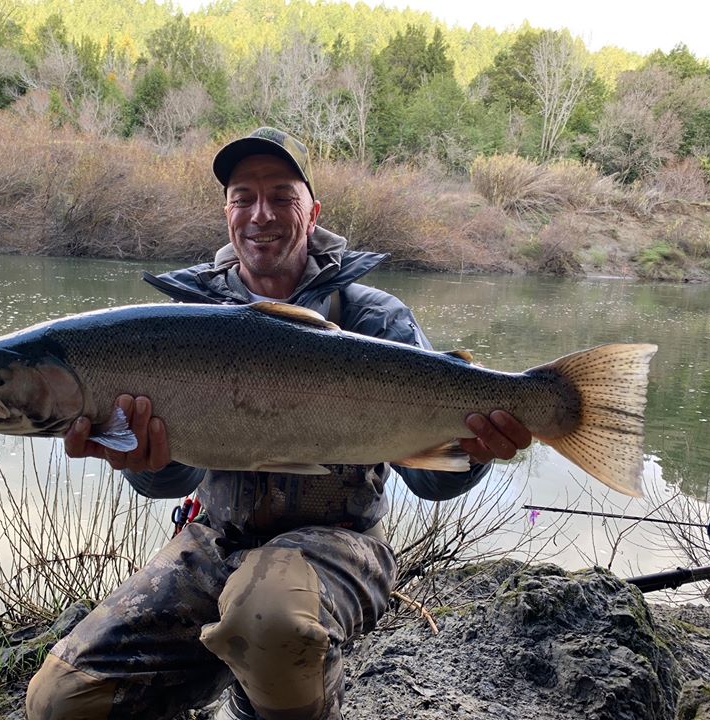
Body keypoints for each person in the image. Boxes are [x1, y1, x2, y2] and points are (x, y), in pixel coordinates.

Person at [26, 127, 531, 720]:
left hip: (340, 548)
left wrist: (476, 449)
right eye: (243, 197)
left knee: (267, 619)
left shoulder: (374, 317)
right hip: (214, 543)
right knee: (61, 700)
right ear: (226, 213)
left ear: (312, 212)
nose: (260, 214)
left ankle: (275, 694)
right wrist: (144, 460)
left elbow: (430, 481)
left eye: (281, 196)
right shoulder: (185, 322)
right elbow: (171, 478)